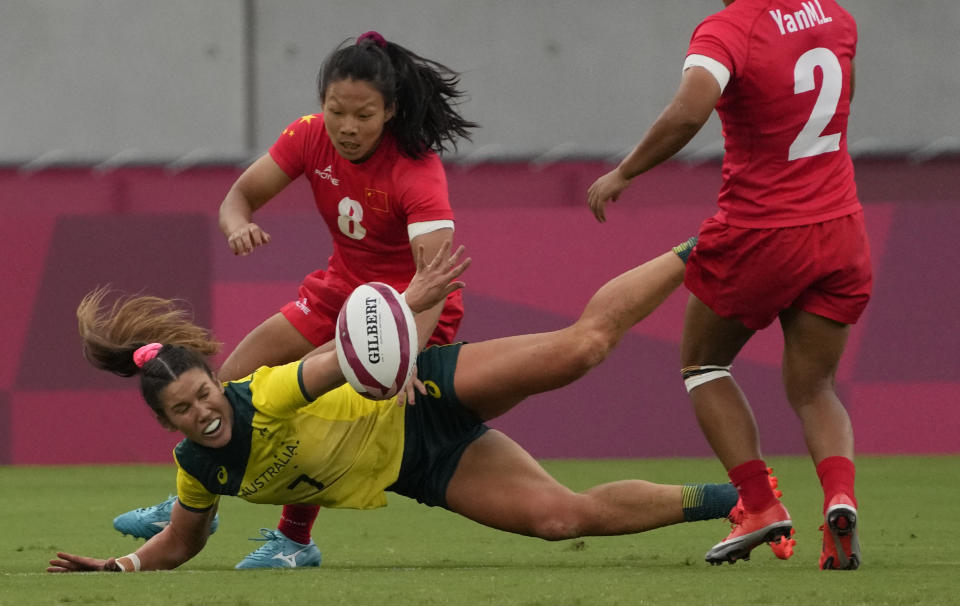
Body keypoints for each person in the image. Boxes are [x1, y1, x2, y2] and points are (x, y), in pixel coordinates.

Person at [49, 240, 744, 573]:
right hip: (422, 466)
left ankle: (700, 247)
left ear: (212, 377)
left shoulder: (261, 395)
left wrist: (411, 303)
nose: (203, 411)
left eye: (202, 392)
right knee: (563, 519)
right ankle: (740, 504)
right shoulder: (196, 467)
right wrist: (118, 568)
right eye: (183, 410)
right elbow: (183, 541)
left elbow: (336, 359)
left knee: (581, 350)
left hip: (421, 393)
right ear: (167, 423)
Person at [114, 30, 478, 569]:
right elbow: (239, 196)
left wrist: (402, 357)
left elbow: (436, 279)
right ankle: (194, 510)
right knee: (236, 377)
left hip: (404, 309)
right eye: (336, 111)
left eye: (364, 115)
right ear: (321, 104)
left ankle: (294, 540)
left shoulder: (416, 169)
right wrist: (238, 224)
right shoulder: (309, 138)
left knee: (307, 397)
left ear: (391, 111)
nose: (348, 127)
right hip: (338, 290)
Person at [587, 0, 869, 570]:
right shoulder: (836, 17)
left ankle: (761, 505)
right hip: (840, 228)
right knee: (816, 387)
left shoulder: (729, 28)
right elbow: (841, 107)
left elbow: (690, 112)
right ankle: (840, 498)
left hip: (762, 232)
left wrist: (626, 170)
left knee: (703, 365)